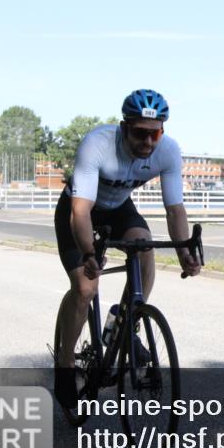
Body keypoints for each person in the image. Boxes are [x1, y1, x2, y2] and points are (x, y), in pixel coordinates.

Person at [54, 89, 200, 408]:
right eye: (140, 134)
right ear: (124, 128)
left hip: (118, 208)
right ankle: (64, 365)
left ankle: (125, 319)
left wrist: (184, 254)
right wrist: (90, 254)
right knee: (85, 288)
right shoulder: (98, 145)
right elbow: (79, 212)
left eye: (155, 134)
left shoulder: (168, 151)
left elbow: (175, 210)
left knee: (144, 246)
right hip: (80, 208)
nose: (148, 143)